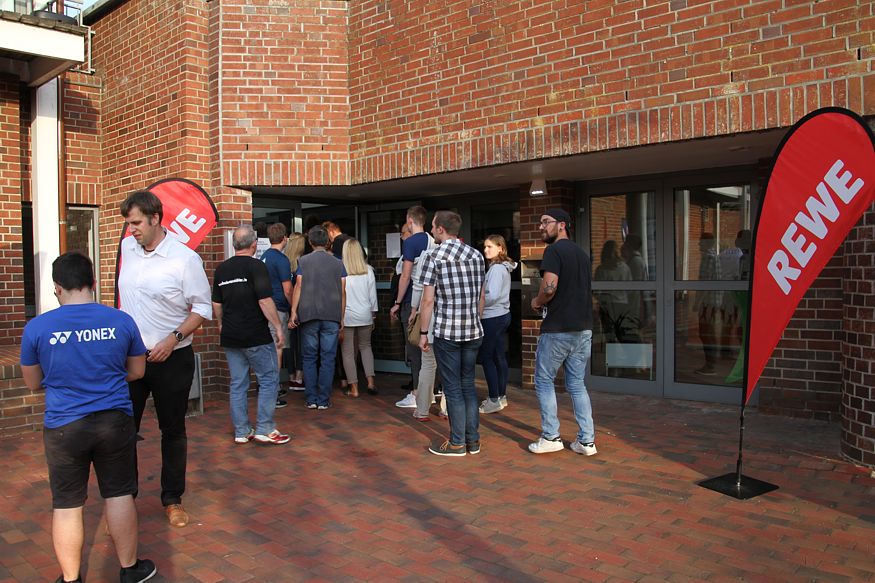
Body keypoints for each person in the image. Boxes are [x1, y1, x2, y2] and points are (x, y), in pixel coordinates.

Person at [20, 252, 157, 583]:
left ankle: (71, 578)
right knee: (119, 494)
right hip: (114, 421)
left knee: (67, 504)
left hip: (64, 425)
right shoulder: (121, 321)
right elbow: (137, 371)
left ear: (57, 287)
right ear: (93, 282)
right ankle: (129, 570)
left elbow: (34, 382)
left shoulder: (37, 327)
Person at [117, 190, 211, 528]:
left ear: (155, 218)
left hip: (172, 358)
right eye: (129, 224)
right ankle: (123, 500)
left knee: (172, 430)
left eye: (136, 223)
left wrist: (173, 339)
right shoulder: (127, 248)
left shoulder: (184, 259)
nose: (131, 230)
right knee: (122, 431)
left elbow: (202, 307)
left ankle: (172, 499)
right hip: (131, 358)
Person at [528, 208, 597, 456]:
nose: (541, 227)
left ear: (562, 225)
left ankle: (551, 437)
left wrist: (536, 302)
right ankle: (587, 441)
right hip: (583, 329)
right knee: (577, 384)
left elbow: (549, 288)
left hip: (558, 329)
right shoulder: (582, 254)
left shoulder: (554, 251)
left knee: (543, 380)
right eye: (540, 222)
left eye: (546, 222)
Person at [213, 225, 290, 445]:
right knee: (269, 378)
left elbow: (216, 303)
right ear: (254, 245)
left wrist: (221, 324)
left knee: (238, 383)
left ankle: (242, 431)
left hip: (231, 335)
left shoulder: (222, 269)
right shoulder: (256, 266)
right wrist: (278, 327)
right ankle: (265, 428)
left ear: (234, 245)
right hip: (255, 334)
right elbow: (264, 300)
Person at [418, 211, 486, 456]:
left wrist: (423, 333)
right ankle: (473, 440)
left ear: (440, 229)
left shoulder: (432, 256)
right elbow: (481, 296)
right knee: (468, 385)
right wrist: (476, 320)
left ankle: (457, 443)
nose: (431, 229)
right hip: (473, 330)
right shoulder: (476, 255)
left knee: (453, 388)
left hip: (447, 331)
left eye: (433, 226)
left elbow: (428, 301)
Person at [290, 225, 347, 409]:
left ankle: (311, 398)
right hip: (331, 314)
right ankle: (323, 399)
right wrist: (342, 316)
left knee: (309, 357)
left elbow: (298, 286)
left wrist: (293, 311)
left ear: (310, 241)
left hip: (309, 313)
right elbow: (343, 291)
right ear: (327, 242)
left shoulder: (303, 261)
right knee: (328, 358)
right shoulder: (338, 263)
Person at [390, 206, 432, 409]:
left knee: (413, 347)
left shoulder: (411, 242)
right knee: (428, 348)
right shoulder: (432, 241)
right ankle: (430, 391)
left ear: (409, 220)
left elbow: (406, 276)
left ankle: (416, 393)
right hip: (430, 298)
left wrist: (397, 302)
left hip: (411, 301)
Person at [478, 234, 517, 414]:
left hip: (492, 317)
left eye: (490, 247)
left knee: (487, 357)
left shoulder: (496, 269)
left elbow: (491, 296)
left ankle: (494, 399)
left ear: (500, 248)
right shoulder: (502, 267)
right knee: (498, 356)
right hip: (502, 315)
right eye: (485, 246)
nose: (485, 250)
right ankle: (500, 396)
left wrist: (477, 303)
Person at [340, 238, 378, 397]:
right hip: (365, 314)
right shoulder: (368, 270)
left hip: (347, 315)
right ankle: (371, 382)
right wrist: (373, 314)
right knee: (366, 347)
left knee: (348, 352)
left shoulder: (341, 270)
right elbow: (372, 296)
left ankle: (354, 388)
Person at [261, 223, 293, 408]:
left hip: (265, 308)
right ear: (284, 238)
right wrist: (294, 308)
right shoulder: (281, 260)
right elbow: (287, 289)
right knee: (277, 349)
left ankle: (271, 388)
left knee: (269, 350)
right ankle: (272, 392)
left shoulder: (264, 257)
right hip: (278, 308)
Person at [594, 240, 632, 344]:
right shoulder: (625, 267)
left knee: (609, 335)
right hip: (622, 304)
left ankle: (612, 353)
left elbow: (597, 291)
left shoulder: (601, 269)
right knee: (622, 334)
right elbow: (630, 288)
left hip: (607, 305)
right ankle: (627, 353)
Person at [695, 233, 723, 376]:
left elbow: (704, 283)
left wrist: (697, 302)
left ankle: (710, 365)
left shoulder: (708, 258)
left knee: (706, 333)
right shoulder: (714, 257)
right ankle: (711, 363)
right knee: (709, 332)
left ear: (707, 243)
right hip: (713, 301)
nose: (699, 244)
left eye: (701, 241)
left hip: (708, 302)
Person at [283, 233, 306, 391]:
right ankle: (299, 377)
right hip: (300, 308)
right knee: (302, 343)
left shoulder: (284, 263)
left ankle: (291, 376)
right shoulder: (302, 264)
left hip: (285, 308)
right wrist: (295, 310)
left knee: (290, 344)